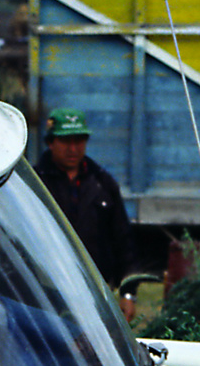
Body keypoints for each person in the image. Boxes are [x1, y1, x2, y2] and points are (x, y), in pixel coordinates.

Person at [35, 108, 136, 321]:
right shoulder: (34, 184)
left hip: (94, 293)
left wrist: (128, 294)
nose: (73, 148)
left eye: (79, 141)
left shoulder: (103, 183)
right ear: (51, 142)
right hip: (46, 294)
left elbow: (124, 242)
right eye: (66, 141)